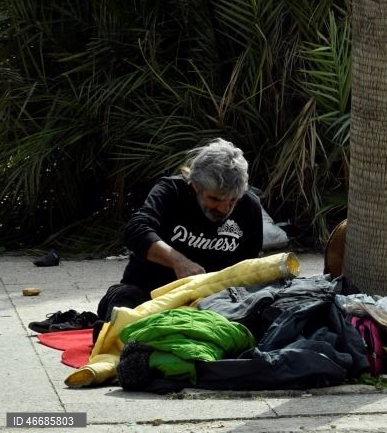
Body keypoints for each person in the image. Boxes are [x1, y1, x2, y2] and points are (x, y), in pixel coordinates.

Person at [94, 138, 263, 335]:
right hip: (150, 294)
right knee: (124, 301)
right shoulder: (171, 192)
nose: (224, 208)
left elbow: (250, 265)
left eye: (233, 200)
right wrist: (179, 262)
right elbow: (136, 230)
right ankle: (117, 333)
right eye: (215, 199)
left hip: (211, 301)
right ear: (196, 186)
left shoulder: (250, 206)